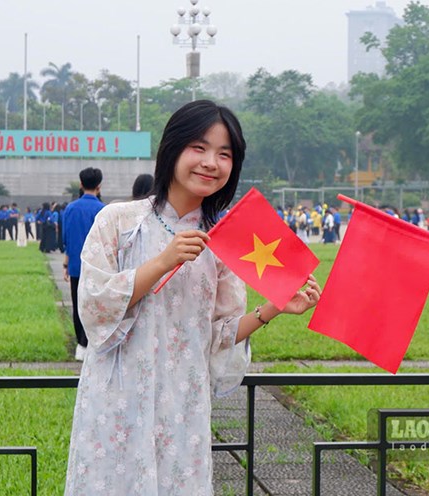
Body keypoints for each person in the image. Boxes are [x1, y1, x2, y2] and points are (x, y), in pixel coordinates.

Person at [64, 100, 321, 495]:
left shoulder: (224, 241)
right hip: (119, 400)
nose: (211, 163)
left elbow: (218, 334)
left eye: (224, 154)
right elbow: (94, 305)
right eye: (198, 148)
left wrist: (273, 308)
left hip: (183, 403)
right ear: (173, 150)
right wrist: (163, 261)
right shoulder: (118, 221)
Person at [62, 167, 104, 361]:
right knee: (96, 305)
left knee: (78, 304)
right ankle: (93, 341)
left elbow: (66, 238)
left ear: (80, 184)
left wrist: (66, 263)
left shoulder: (70, 209)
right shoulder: (103, 210)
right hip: (99, 268)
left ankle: (81, 344)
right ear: (99, 186)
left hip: (76, 267)